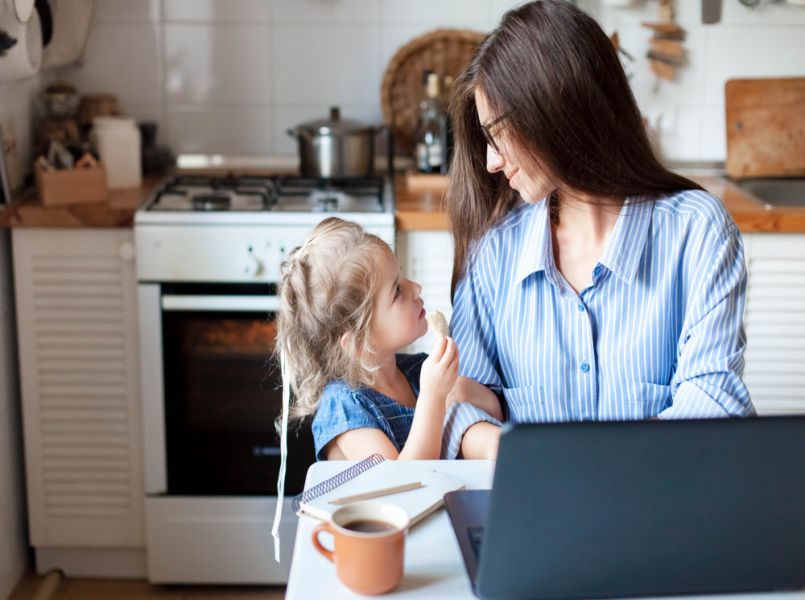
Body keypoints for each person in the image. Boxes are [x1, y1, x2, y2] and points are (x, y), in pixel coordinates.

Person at [440, 0, 756, 460]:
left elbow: (714, 406)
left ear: (556, 111)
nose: (491, 161)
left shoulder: (697, 232)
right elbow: (461, 408)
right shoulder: (493, 250)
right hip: (532, 512)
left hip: (661, 513)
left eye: (498, 133)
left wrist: (576, 464)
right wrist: (548, 460)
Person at [276, 216, 501, 462]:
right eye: (396, 291)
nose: (415, 288)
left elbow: (494, 413)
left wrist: (461, 388)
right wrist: (433, 397)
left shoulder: (418, 371)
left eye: (402, 276)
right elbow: (398, 484)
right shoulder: (344, 407)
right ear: (358, 342)